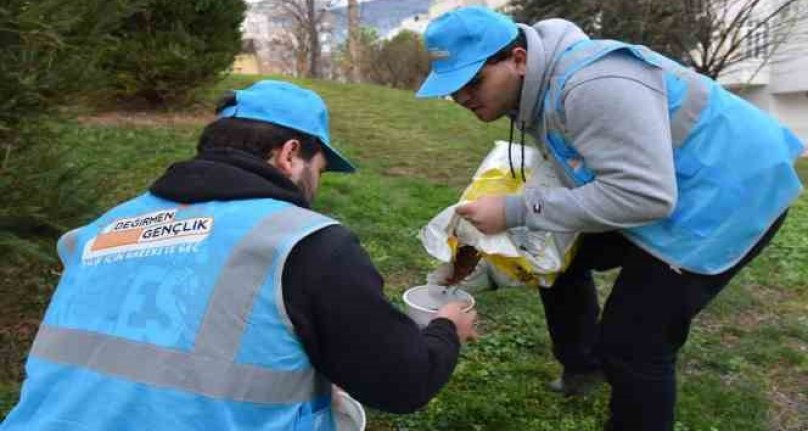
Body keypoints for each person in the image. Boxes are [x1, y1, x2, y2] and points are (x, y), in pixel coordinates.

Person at [1, 80, 478, 431]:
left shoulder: (103, 228)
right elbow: (401, 382)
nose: (318, 183)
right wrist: (446, 330)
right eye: (320, 167)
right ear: (290, 154)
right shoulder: (306, 243)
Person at [416, 6, 803, 431]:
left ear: (519, 60)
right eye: (453, 89)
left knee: (635, 343)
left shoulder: (591, 85)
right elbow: (587, 182)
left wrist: (515, 211)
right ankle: (583, 367)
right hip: (669, 185)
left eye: (472, 82)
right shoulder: (535, 90)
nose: (463, 98)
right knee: (561, 262)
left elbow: (643, 196)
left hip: (729, 192)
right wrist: (481, 261)